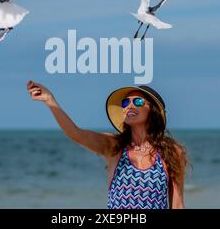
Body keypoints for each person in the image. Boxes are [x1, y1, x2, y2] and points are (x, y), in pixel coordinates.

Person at [27, 81, 188, 209]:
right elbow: (76, 134)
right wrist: (50, 101)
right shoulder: (114, 146)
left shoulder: (173, 151)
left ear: (152, 110)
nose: (130, 106)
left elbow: (177, 204)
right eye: (125, 102)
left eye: (138, 101)